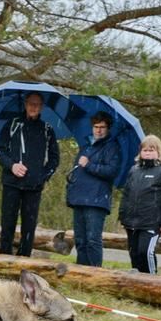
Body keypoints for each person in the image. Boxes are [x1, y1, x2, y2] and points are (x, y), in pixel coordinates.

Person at [0, 92, 60, 256]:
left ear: (41, 107)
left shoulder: (47, 129)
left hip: (34, 186)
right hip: (11, 183)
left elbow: (54, 159)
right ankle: (4, 259)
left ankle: (24, 260)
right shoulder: (12, 124)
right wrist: (12, 165)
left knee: (29, 227)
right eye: (31, 103)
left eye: (37, 104)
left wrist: (42, 175)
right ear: (25, 104)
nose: (33, 107)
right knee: (7, 224)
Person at [65, 112, 122, 266]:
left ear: (108, 128)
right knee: (80, 240)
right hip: (79, 198)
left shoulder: (112, 147)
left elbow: (111, 171)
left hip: (96, 200)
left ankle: (95, 272)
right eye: (96, 127)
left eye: (102, 127)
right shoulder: (86, 147)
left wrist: (89, 165)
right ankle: (81, 272)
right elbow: (77, 172)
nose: (98, 130)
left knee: (92, 240)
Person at [118, 135, 161, 274]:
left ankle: (152, 280)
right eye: (145, 150)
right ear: (140, 152)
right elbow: (126, 194)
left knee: (145, 252)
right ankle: (137, 282)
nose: (147, 153)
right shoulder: (134, 170)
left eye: (151, 150)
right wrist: (123, 216)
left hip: (152, 222)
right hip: (132, 222)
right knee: (134, 254)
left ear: (158, 152)